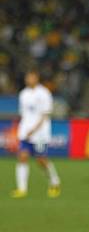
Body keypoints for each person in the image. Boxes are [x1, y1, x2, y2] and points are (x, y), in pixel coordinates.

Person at [11, 70, 60, 198]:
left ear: (36, 78)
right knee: (22, 157)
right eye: (27, 77)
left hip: (40, 133)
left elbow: (45, 115)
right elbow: (24, 114)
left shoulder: (44, 93)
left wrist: (34, 129)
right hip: (25, 132)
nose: (29, 79)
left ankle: (54, 182)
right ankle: (21, 189)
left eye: (32, 77)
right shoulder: (23, 94)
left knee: (41, 160)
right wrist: (23, 129)